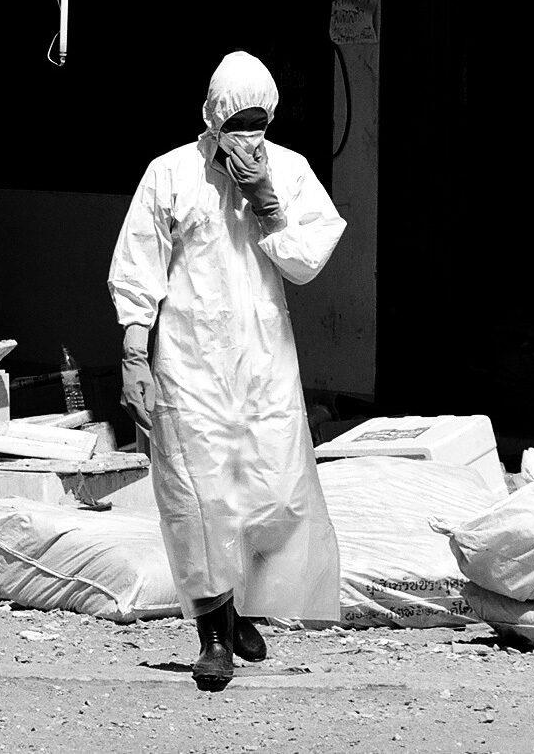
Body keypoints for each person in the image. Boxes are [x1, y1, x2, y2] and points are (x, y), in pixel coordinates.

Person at [107, 51, 346, 691]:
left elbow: (306, 262)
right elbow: (137, 267)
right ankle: (212, 632)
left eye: (259, 121)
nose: (249, 134)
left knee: (276, 491)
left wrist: (268, 205)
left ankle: (240, 600)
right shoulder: (171, 174)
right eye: (237, 120)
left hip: (264, 358)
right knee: (199, 498)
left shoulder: (289, 172)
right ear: (214, 118)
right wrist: (134, 355)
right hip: (188, 361)